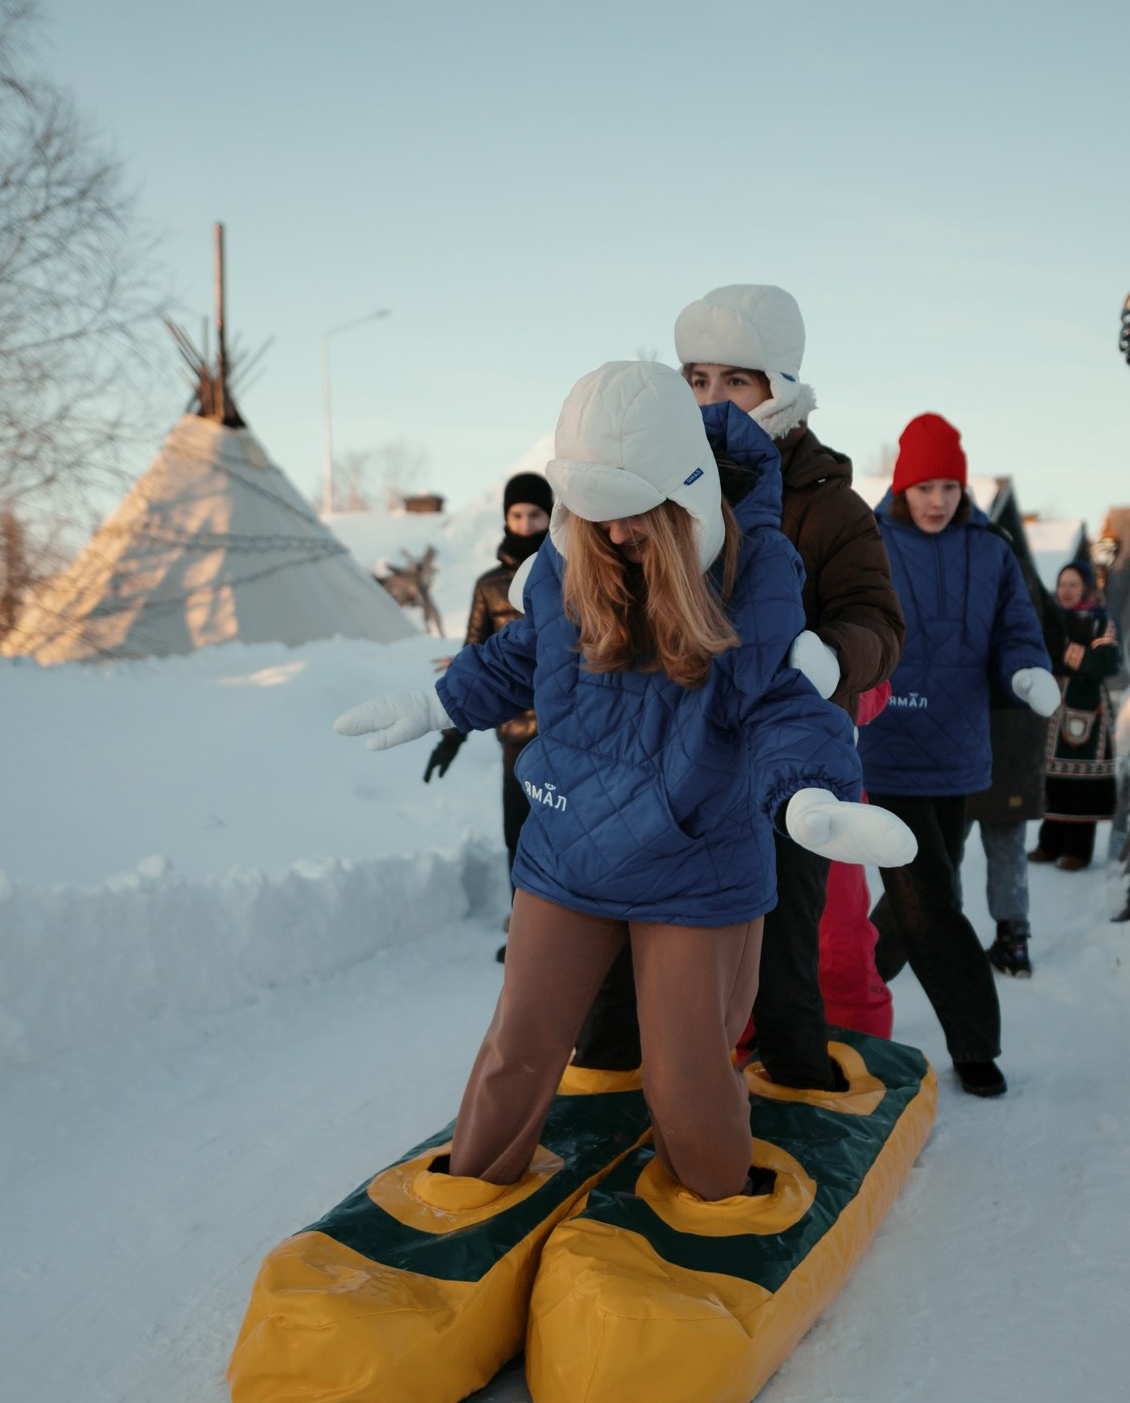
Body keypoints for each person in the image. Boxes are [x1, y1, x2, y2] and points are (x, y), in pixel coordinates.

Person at [333, 361, 915, 1202]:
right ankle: (471, 1194)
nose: (611, 535)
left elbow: (784, 702)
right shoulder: (576, 565)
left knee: (683, 1074)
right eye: (592, 514)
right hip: (569, 854)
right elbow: (520, 655)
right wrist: (437, 704)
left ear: (682, 497)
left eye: (630, 513)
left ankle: (715, 1203)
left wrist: (812, 797)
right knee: (518, 1048)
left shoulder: (755, 577)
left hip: (697, 867)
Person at [573, 283, 907, 1088]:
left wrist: (830, 653)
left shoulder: (832, 508)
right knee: (631, 919)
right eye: (697, 379)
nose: (714, 398)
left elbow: (879, 623)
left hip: (781, 754)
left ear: (780, 389)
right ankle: (611, 1078)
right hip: (673, 751)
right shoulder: (661, 483)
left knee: (790, 928)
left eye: (737, 380)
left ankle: (795, 1081)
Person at [859, 413, 1055, 1099]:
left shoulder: (991, 551)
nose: (936, 500)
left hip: (960, 754)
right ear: (902, 486)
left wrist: (1026, 670)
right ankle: (976, 1042)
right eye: (924, 486)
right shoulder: (870, 543)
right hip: (885, 750)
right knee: (932, 902)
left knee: (919, 899)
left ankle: (848, 985)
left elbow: (1017, 630)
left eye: (948, 486)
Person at [425, 473, 553, 958]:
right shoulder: (488, 586)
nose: (525, 524)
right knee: (516, 835)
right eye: (517, 515)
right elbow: (472, 662)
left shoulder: (568, 571)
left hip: (564, 731)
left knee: (560, 833)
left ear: (549, 516)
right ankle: (523, 932)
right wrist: (452, 734)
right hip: (514, 734)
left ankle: (557, 933)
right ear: (505, 517)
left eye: (535, 515)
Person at [963, 534, 1065, 977]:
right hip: (1020, 733)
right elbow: (1057, 646)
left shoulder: (971, 577)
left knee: (942, 846)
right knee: (1007, 845)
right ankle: (1014, 940)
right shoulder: (1032, 588)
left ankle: (930, 942)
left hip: (966, 731)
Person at [1032, 562, 1122, 870]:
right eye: (1062, 584)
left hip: (1086, 709)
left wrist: (1068, 651)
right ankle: (1049, 843)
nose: (1066, 591)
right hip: (1052, 706)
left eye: (1073, 585)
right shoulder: (1048, 619)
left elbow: (1106, 662)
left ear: (1086, 588)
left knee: (1081, 777)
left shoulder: (1101, 622)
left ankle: (1078, 850)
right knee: (1052, 776)